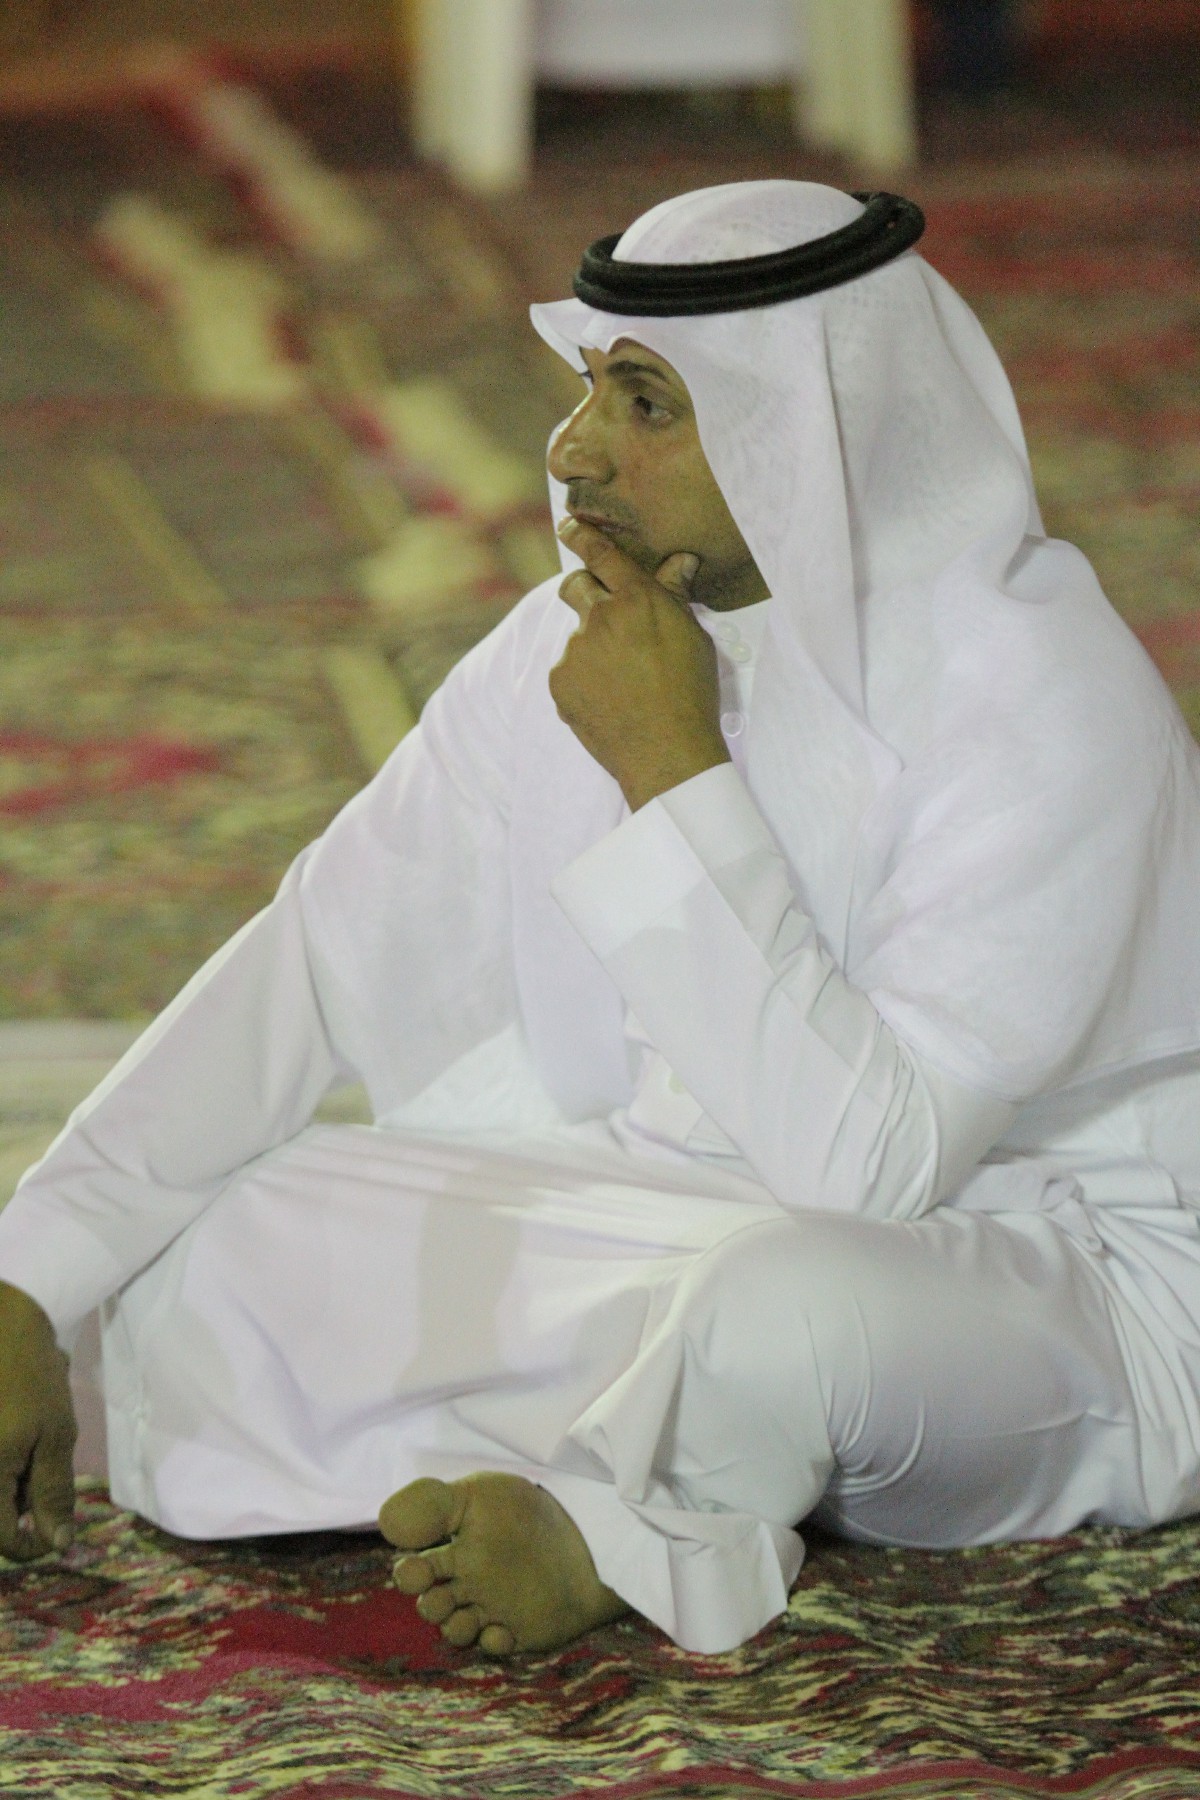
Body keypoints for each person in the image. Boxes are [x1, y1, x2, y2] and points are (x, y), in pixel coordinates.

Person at [3, 180, 1200, 1659]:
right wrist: (27, 1275)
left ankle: (624, 1534)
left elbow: (869, 1174)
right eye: (589, 391)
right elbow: (317, 959)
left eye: (646, 405)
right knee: (221, 1234)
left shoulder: (1040, 695)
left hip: (1049, 1280)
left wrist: (670, 773)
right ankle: (642, 1447)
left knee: (778, 1311)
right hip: (673, 1218)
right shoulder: (579, 639)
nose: (572, 451)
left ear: (807, 429)